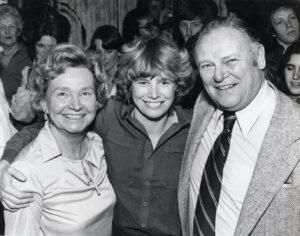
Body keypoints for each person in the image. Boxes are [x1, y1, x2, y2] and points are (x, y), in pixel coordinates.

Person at [0, 32, 193, 236]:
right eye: (143, 82)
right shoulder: (110, 117)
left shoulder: (194, 128)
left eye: (164, 82)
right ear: (129, 82)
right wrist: (5, 164)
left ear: (177, 84)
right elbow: (44, 128)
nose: (153, 94)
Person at [178, 17, 300, 236]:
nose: (218, 75)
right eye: (207, 65)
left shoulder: (294, 131)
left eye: (231, 60)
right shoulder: (203, 108)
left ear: (259, 57)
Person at [4, 44, 116, 235]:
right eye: (62, 94)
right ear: (43, 103)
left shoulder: (96, 145)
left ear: (97, 100)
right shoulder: (26, 173)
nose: (76, 104)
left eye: (85, 93)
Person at [10, 20, 68, 127]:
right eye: (41, 46)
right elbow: (21, 115)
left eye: (51, 46)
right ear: (33, 47)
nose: (46, 51)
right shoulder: (28, 73)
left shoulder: (68, 70)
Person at [263, 0, 300, 88]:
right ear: (273, 31)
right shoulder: (267, 63)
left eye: (292, 18)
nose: (289, 25)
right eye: (280, 22)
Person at [0, 4, 32, 102]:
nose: (7, 31)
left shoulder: (29, 55)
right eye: (2, 27)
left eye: (12, 27)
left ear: (18, 31)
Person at [89, 25, 124, 97]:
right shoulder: (94, 79)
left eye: (108, 51)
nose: (102, 58)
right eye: (98, 52)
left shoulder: (127, 79)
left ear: (119, 51)